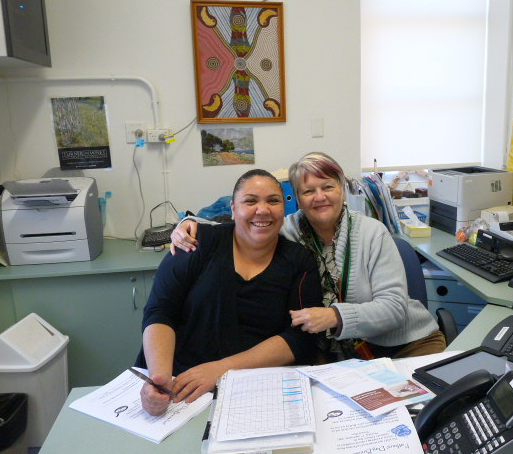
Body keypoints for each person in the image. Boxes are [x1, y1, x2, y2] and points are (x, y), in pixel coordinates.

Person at [171, 152, 446, 361]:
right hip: (342, 357)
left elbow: (395, 309)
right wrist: (189, 225)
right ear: (297, 199)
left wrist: (334, 317)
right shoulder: (287, 229)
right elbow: (242, 226)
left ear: (342, 190)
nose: (320, 197)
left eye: (328, 187)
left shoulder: (373, 233)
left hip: (406, 344)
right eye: (308, 191)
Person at [136, 169, 322, 416]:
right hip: (181, 386)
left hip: (256, 391)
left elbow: (300, 337)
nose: (263, 210)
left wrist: (221, 370)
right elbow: (161, 311)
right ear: (233, 209)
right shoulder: (196, 243)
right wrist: (159, 380)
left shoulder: (298, 261)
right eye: (251, 201)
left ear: (285, 209)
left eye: (273, 200)